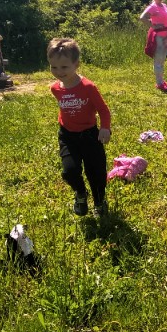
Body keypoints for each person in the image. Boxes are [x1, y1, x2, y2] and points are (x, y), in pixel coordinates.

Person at [47, 37, 111, 217]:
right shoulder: (55, 88)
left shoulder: (88, 87)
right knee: (70, 171)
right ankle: (81, 194)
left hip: (90, 135)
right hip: (67, 136)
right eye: (54, 67)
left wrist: (105, 128)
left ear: (76, 64)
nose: (59, 72)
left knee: (96, 172)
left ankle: (99, 201)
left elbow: (103, 110)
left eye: (64, 67)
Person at [139, 0, 167, 91]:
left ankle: (161, 81)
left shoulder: (164, 5)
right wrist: (153, 26)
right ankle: (159, 83)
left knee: (162, 59)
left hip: (166, 36)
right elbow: (142, 17)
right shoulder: (152, 7)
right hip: (158, 37)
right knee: (158, 60)